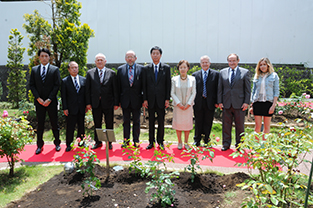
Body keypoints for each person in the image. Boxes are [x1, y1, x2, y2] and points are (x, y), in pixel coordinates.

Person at [29, 48, 61, 154]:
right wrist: (38, 98)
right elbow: (32, 85)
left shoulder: (54, 69)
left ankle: (57, 143)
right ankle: (39, 145)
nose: (44, 58)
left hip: (51, 101)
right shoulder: (34, 70)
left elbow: (57, 85)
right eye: (42, 56)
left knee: (54, 123)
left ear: (49, 57)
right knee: (40, 124)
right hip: (39, 102)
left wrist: (49, 99)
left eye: (46, 56)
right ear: (39, 58)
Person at [217, 53, 251, 151]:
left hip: (239, 104)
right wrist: (219, 101)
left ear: (238, 61)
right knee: (226, 125)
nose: (232, 62)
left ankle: (239, 145)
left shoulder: (245, 72)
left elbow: (247, 89)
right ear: (228, 61)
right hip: (226, 103)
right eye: (230, 61)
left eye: (234, 60)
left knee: (240, 126)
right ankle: (226, 144)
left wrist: (246, 102)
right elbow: (220, 88)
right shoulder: (222, 72)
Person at [86, 53, 119, 150]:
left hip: (108, 103)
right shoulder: (90, 73)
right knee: (97, 123)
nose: (100, 61)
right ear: (95, 62)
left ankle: (109, 142)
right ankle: (98, 142)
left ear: (105, 61)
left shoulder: (111, 73)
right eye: (98, 60)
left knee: (109, 123)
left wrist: (116, 103)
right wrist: (88, 103)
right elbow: (87, 90)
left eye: (101, 60)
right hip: (95, 103)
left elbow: (115, 89)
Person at [143, 46, 171, 150]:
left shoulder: (166, 68)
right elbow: (144, 85)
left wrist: (167, 99)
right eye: (153, 53)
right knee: (150, 122)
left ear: (160, 55)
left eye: (157, 53)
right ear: (151, 55)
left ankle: (160, 141)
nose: (155, 55)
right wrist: (145, 99)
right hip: (150, 100)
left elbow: (168, 85)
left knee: (161, 121)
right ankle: (151, 142)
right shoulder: (146, 69)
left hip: (161, 100)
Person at [117, 50, 144, 148]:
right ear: (125, 59)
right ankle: (126, 140)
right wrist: (118, 101)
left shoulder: (141, 69)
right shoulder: (120, 69)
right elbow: (118, 87)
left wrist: (144, 100)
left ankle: (136, 140)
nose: (130, 59)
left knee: (137, 121)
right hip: (125, 100)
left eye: (132, 57)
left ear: (135, 58)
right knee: (126, 121)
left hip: (137, 100)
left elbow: (144, 86)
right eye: (128, 57)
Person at [192, 55, 219, 147]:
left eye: (206, 62)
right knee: (198, 122)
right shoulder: (195, 75)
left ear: (209, 63)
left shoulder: (216, 74)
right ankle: (197, 140)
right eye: (203, 62)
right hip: (198, 102)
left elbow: (217, 89)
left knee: (208, 122)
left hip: (210, 102)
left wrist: (217, 101)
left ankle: (206, 139)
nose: (205, 64)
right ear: (200, 64)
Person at [61, 61, 86, 152]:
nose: (75, 69)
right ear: (69, 69)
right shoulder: (65, 81)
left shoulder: (83, 80)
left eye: (76, 67)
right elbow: (63, 96)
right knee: (70, 127)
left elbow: (85, 94)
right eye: (72, 68)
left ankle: (81, 142)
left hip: (81, 107)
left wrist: (87, 105)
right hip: (70, 109)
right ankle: (69, 144)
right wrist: (65, 108)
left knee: (81, 126)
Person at [171, 60, 196, 150]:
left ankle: (186, 142)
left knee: (187, 125)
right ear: (178, 68)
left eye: (185, 67)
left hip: (188, 107)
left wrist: (189, 104)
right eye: (181, 67)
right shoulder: (174, 79)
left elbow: (194, 92)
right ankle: (179, 142)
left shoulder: (192, 79)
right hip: (178, 107)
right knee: (178, 125)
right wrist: (179, 104)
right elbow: (172, 93)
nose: (183, 69)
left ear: (188, 68)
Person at [250, 58, 279, 134]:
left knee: (267, 126)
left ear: (268, 65)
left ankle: (265, 145)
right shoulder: (257, 76)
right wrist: (252, 105)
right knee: (257, 126)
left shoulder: (274, 76)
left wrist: (273, 106)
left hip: (268, 103)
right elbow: (253, 91)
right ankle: (256, 145)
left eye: (264, 64)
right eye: (261, 65)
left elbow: (276, 91)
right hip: (257, 102)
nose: (262, 66)